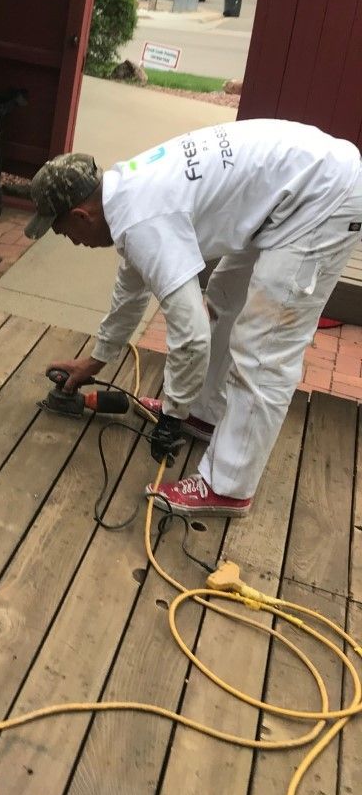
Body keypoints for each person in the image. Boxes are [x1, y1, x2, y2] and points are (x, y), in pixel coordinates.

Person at [27, 121, 362, 517]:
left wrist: (171, 414)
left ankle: (229, 485)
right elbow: (131, 292)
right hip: (289, 190)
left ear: (81, 215)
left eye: (63, 232)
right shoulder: (125, 193)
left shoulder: (142, 220)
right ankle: (205, 411)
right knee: (224, 298)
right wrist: (95, 361)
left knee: (265, 347)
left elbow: (192, 338)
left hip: (321, 197)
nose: (72, 242)